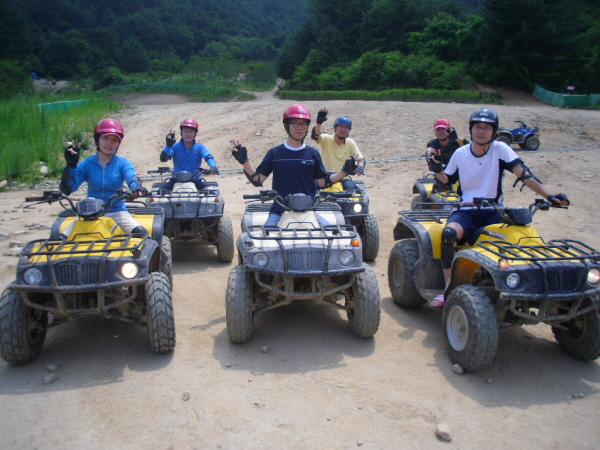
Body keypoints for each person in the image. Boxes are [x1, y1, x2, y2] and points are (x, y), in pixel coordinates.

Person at [427, 107, 570, 309]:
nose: (481, 131)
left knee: (518, 241)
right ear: (471, 129)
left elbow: (523, 174)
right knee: (449, 234)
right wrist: (436, 169)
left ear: (494, 131)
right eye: (478, 127)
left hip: (494, 210)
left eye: (487, 128)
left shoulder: (500, 149)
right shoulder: (461, 153)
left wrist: (549, 196)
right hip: (465, 210)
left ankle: (516, 285)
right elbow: (446, 181)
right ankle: (448, 290)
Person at [230, 104, 358, 227]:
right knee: (266, 236)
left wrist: (345, 171)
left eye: (303, 124)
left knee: (332, 235)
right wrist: (245, 161)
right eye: (295, 123)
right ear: (286, 125)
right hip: (279, 212)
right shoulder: (275, 153)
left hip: (309, 211)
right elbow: (258, 180)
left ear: (307, 127)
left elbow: (322, 183)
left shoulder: (313, 154)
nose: (299, 127)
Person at [59, 118, 148, 234]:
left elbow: (131, 178)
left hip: (117, 212)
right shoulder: (86, 164)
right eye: (105, 138)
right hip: (89, 213)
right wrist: (71, 166)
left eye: (114, 140)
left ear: (118, 143)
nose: (109, 143)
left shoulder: (123, 163)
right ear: (98, 139)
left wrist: (136, 188)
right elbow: (69, 189)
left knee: (141, 234)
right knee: (61, 239)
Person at [310, 107, 365, 190]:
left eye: (346, 127)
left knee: (356, 193)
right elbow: (316, 136)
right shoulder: (327, 139)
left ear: (349, 130)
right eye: (340, 126)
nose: (343, 129)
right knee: (310, 191)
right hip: (325, 178)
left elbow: (361, 159)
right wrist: (319, 123)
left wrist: (360, 167)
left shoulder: (350, 143)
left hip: (343, 178)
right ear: (335, 127)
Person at [160, 118, 219, 191]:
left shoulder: (200, 147)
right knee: (159, 192)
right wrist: (168, 146)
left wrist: (213, 166)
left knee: (211, 192)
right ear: (181, 132)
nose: (188, 134)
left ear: (195, 133)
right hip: (176, 180)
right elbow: (164, 158)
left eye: (191, 131)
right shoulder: (175, 147)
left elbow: (208, 156)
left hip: (195, 180)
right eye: (185, 131)